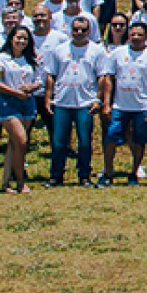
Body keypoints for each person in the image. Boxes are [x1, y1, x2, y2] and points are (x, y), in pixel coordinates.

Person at [97, 21, 147, 187]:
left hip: (142, 106)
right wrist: (106, 103)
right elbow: (109, 78)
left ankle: (133, 173)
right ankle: (108, 172)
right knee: (111, 138)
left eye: (139, 35)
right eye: (133, 34)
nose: (136, 38)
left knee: (138, 141)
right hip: (120, 106)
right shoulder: (118, 53)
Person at [44, 14, 104, 187]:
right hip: (62, 101)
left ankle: (84, 175)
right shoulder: (60, 49)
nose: (79, 32)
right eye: (75, 29)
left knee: (84, 141)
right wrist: (49, 98)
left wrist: (97, 99)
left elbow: (102, 77)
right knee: (58, 141)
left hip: (85, 102)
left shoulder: (96, 50)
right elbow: (51, 75)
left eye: (83, 30)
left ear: (89, 31)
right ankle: (56, 176)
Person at [0, 25, 43, 194]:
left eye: (25, 38)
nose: (22, 41)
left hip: (27, 101)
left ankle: (5, 182)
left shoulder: (31, 59)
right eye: (18, 38)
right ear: (11, 39)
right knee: (22, 141)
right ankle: (20, 181)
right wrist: (15, 92)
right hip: (8, 102)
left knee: (14, 144)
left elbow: (40, 79)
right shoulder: (1, 58)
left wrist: (31, 87)